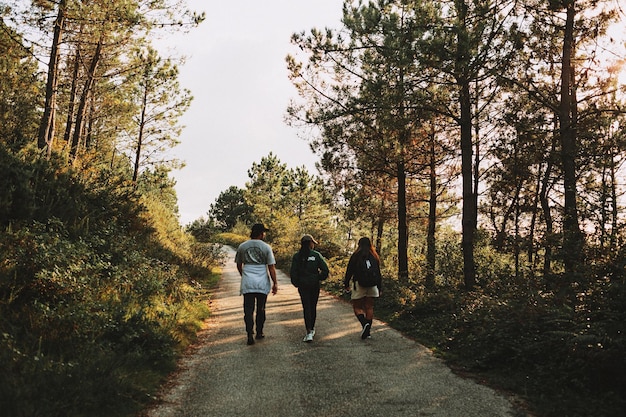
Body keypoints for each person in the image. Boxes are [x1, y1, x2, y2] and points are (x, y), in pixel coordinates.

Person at [235, 223, 278, 345]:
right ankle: (259, 332)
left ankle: (249, 333)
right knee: (261, 308)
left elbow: (238, 264)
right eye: (263, 232)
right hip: (261, 281)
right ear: (260, 233)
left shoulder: (242, 246)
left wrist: (243, 275)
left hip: (248, 280)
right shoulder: (266, 247)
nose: (264, 234)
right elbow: (271, 267)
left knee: (248, 309)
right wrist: (275, 283)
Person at [290, 234, 329, 342]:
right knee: (313, 307)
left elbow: (293, 272)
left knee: (306, 307)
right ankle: (311, 329)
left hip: (303, 286)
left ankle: (308, 331)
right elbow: (325, 270)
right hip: (314, 285)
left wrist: (297, 283)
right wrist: (318, 278)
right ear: (311, 244)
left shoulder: (297, 256)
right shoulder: (316, 255)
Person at [343, 237, 382, 339]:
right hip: (373, 285)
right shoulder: (375, 256)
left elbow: (349, 271)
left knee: (357, 307)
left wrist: (346, 284)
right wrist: (379, 287)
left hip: (359, 284)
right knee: (369, 307)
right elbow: (378, 273)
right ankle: (367, 332)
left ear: (359, 245)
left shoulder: (356, 256)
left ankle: (365, 324)